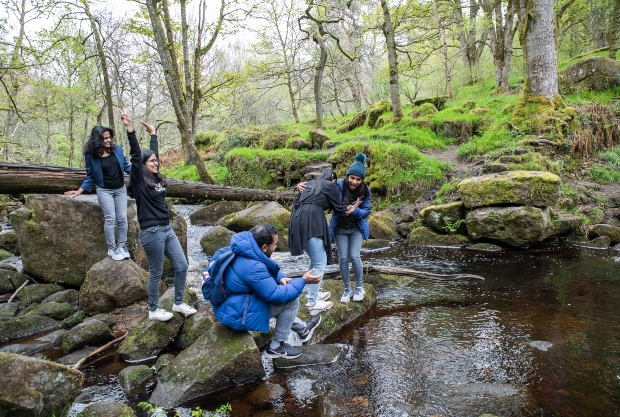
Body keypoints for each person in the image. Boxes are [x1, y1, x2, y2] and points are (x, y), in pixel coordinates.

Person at [120, 110, 197, 322]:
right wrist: (130, 129)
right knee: (156, 272)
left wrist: (153, 135)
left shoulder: (155, 177)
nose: (155, 163)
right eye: (151, 161)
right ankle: (153, 310)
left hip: (166, 228)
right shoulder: (139, 180)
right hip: (151, 230)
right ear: (143, 165)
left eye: (157, 161)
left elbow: (151, 156)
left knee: (182, 266)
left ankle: (178, 302)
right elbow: (137, 155)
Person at [212, 224, 323, 359]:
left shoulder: (243, 249)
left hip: (227, 306)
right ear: (264, 247)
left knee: (281, 290)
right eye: (274, 244)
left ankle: (303, 330)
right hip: (236, 314)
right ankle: (277, 347)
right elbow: (274, 295)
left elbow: (266, 271)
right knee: (291, 300)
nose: (276, 247)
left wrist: (281, 278)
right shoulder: (253, 266)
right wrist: (303, 280)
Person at [65, 125, 131, 261]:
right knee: (110, 218)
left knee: (123, 218)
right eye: (104, 138)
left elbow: (126, 166)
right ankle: (112, 249)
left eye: (109, 138)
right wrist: (80, 190)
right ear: (97, 140)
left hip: (120, 189)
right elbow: (90, 175)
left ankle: (122, 247)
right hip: (104, 190)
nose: (108, 141)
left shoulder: (117, 149)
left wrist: (143, 173)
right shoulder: (91, 155)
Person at [288, 168, 347, 315]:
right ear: (332, 180)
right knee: (320, 263)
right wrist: (352, 208)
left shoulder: (310, 184)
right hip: (311, 220)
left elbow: (297, 202)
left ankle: (312, 292)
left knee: (315, 260)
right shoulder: (330, 185)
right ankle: (313, 303)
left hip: (296, 219)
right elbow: (338, 208)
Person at [329, 154, 371, 302]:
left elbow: (367, 211)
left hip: (356, 229)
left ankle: (359, 287)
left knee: (354, 256)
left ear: (361, 180)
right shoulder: (338, 185)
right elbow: (329, 198)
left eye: (358, 179)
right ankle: (347, 289)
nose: (354, 182)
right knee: (343, 258)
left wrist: (355, 210)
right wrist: (301, 186)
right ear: (348, 177)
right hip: (340, 228)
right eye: (352, 178)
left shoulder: (365, 190)